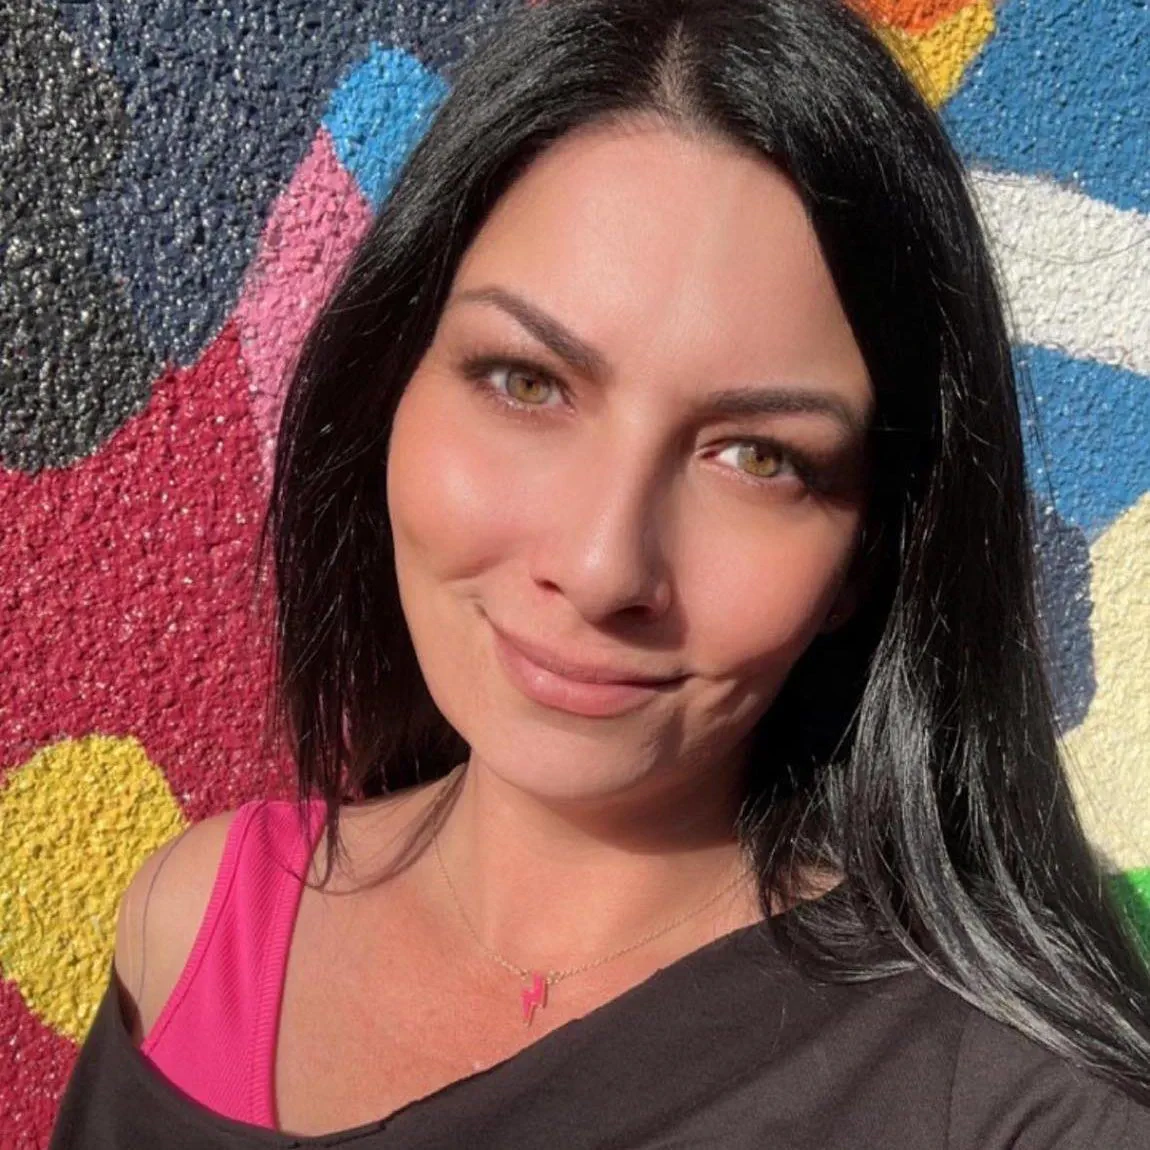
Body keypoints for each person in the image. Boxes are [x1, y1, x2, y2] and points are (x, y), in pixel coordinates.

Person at [51, 0, 1150, 1146]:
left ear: (867, 555)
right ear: (392, 380)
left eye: (758, 457)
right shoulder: (197, 927)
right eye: (525, 381)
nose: (599, 565)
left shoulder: (1015, 1113)